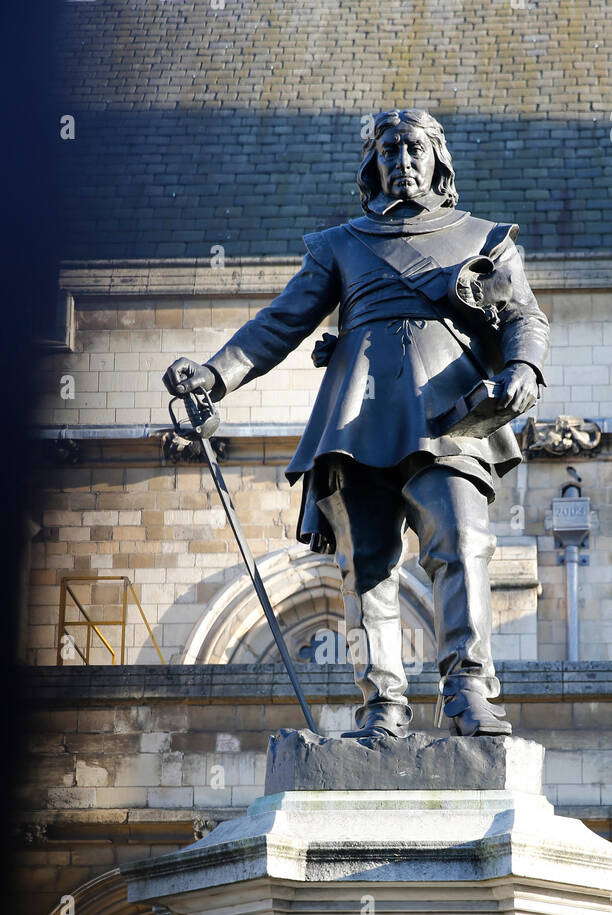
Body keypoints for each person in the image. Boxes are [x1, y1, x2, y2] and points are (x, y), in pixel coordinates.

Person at [164, 108, 549, 737]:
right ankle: (382, 707)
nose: (402, 161)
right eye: (390, 150)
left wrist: (526, 368)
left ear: (437, 158)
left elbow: (526, 318)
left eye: (415, 149)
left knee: (462, 541)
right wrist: (216, 373)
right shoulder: (340, 244)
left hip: (447, 412)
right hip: (358, 418)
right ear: (374, 164)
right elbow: (280, 323)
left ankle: (468, 691)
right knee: (366, 567)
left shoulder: (485, 238)